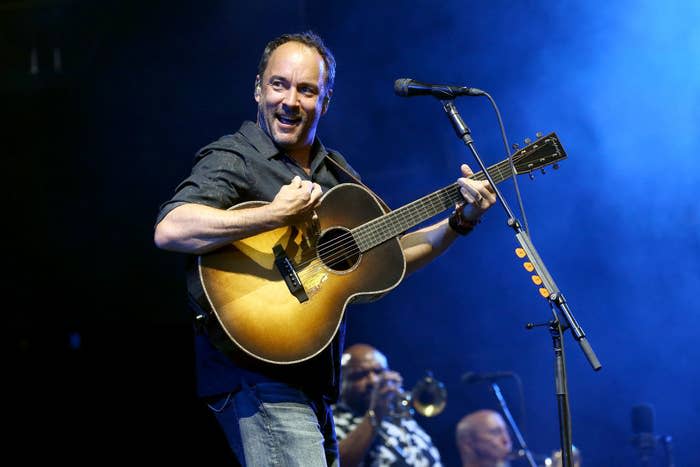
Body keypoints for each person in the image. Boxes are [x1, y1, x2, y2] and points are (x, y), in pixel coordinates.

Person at [153, 30, 495, 466]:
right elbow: (171, 229)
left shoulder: (335, 174)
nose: (290, 101)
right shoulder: (235, 157)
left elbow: (389, 259)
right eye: (279, 84)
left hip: (313, 382)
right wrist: (273, 215)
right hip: (254, 373)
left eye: (306, 90)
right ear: (258, 89)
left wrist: (458, 222)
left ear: (325, 101)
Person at [332, 343, 443, 466]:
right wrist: (375, 413)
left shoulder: (397, 415)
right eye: (359, 375)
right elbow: (335, 463)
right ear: (340, 383)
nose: (373, 381)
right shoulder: (331, 419)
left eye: (379, 371)